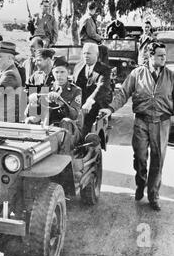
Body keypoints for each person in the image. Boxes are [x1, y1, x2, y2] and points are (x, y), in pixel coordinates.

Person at [100, 42, 174, 211]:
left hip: (162, 123)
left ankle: (153, 195)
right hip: (141, 121)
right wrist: (110, 108)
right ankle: (141, 183)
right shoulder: (137, 74)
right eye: (160, 55)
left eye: (165, 55)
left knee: (158, 159)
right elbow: (123, 93)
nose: (164, 58)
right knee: (140, 157)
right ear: (150, 56)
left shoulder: (170, 76)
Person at [73, 43, 112, 137]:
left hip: (96, 105)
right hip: (79, 105)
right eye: (84, 53)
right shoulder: (78, 67)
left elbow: (102, 87)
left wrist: (90, 101)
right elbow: (74, 86)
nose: (86, 56)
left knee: (87, 132)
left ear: (96, 55)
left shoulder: (104, 69)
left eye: (89, 53)